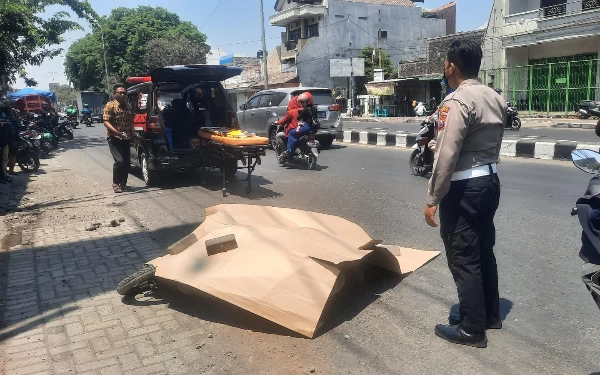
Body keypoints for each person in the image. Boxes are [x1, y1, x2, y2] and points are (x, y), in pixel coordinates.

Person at [424, 39, 507, 348]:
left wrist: (433, 198)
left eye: (445, 63)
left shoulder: (456, 102)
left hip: (464, 187)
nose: (444, 68)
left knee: (463, 255)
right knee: (484, 249)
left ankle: (472, 328)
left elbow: (446, 155)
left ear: (452, 67)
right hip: (489, 182)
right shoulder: (493, 96)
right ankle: (489, 314)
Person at [103, 84, 134, 193]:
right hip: (114, 137)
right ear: (115, 94)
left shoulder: (129, 106)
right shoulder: (110, 105)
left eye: (124, 93)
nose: (122, 94)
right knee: (119, 161)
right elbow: (106, 121)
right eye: (120, 92)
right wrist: (116, 132)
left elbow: (130, 121)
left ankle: (123, 184)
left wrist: (133, 134)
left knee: (126, 162)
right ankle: (115, 183)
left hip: (126, 138)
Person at [283, 92, 315, 158]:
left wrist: (298, 127)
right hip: (313, 128)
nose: (302, 104)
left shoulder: (304, 110)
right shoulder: (314, 108)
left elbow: (299, 119)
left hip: (306, 127)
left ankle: (290, 151)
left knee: (291, 133)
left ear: (307, 102)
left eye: (303, 102)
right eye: (301, 102)